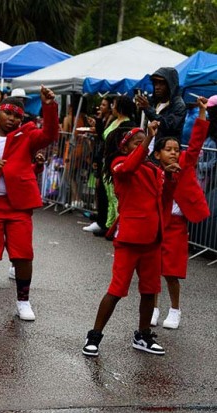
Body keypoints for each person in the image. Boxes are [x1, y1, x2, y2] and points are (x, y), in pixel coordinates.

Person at [82, 122, 176, 357]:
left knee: (150, 290)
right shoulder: (119, 164)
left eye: (145, 142)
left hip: (152, 239)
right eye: (138, 142)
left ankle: (143, 335)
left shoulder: (153, 169)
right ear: (125, 148)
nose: (144, 146)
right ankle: (94, 336)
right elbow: (129, 167)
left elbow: (163, 199)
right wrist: (148, 140)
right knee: (116, 290)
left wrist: (170, 176)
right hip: (129, 239)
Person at [0, 89, 59, 320]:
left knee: (23, 255)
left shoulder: (27, 135)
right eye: (8, 113)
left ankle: (23, 301)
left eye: (18, 116)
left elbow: (50, 134)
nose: (12, 119)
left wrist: (49, 106)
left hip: (19, 206)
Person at [151, 97, 211, 329]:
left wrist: (202, 113)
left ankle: (175, 310)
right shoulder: (154, 171)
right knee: (153, 269)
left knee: (171, 272)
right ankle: (153, 308)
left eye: (176, 149)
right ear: (158, 154)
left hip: (177, 225)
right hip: (158, 223)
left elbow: (195, 142)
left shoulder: (186, 162)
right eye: (168, 150)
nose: (174, 153)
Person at [96, 95, 136, 237]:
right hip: (106, 161)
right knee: (109, 195)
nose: (112, 107)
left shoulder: (128, 123)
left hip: (116, 161)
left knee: (115, 196)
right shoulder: (114, 121)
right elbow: (103, 136)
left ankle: (119, 227)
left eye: (114, 104)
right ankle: (109, 225)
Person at [83, 96, 115, 233]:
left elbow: (104, 137)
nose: (100, 107)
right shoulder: (105, 119)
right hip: (101, 156)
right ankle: (102, 220)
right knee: (99, 188)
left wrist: (97, 124)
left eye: (103, 105)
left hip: (106, 158)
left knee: (105, 191)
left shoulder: (113, 120)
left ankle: (105, 222)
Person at [135, 67, 186, 141]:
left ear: (170, 85)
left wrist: (148, 109)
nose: (157, 87)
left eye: (161, 83)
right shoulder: (153, 102)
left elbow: (168, 126)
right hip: (148, 146)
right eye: (155, 83)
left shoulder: (178, 105)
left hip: (165, 147)